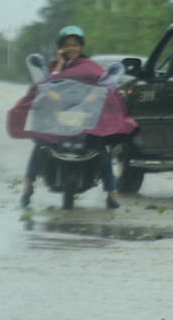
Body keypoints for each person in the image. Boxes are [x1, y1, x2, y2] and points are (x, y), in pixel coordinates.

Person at [17, 26, 131, 209]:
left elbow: (104, 85)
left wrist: (97, 96)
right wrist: (60, 66)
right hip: (58, 117)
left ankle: (111, 194)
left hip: (86, 118)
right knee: (40, 146)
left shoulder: (90, 66)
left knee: (102, 149)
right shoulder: (54, 67)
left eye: (76, 45)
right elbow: (45, 86)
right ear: (60, 47)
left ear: (81, 47)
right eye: (67, 44)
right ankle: (27, 188)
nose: (72, 48)